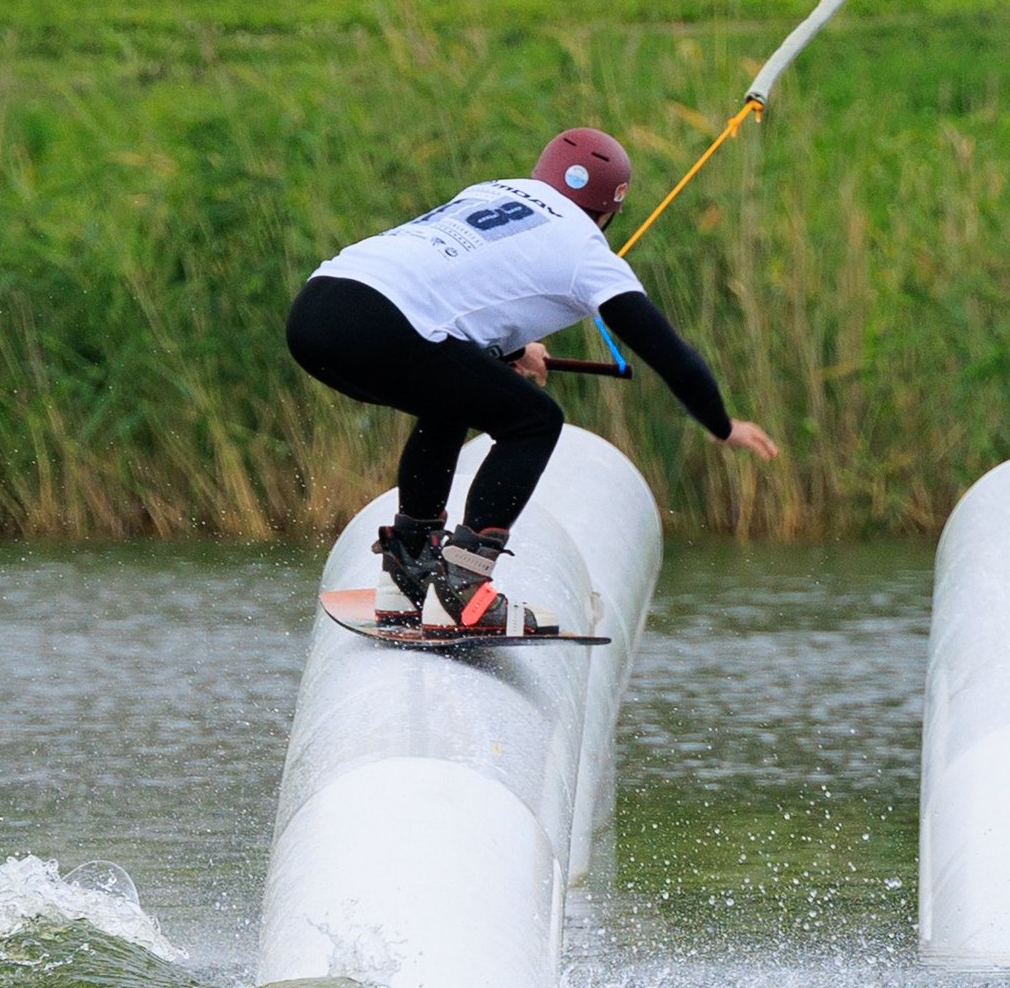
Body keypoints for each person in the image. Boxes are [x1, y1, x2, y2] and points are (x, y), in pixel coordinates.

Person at [285, 129, 779, 636]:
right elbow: (671, 355)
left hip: (315, 312)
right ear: (608, 213)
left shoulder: (491, 190)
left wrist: (513, 349)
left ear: (542, 174)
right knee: (534, 420)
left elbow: (456, 281)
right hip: (383, 325)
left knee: (452, 398)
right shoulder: (588, 253)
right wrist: (722, 426)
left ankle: (410, 572)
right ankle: (461, 588)